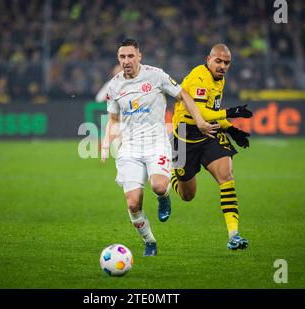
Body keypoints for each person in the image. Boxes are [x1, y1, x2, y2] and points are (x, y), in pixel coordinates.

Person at [101, 38, 219, 256]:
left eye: (130, 56)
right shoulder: (114, 85)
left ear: (139, 56)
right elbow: (114, 119)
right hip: (130, 148)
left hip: (156, 143)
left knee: (158, 186)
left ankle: (164, 198)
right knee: (133, 203)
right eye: (122, 57)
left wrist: (200, 121)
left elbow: (183, 94)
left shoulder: (156, 75)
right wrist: (107, 142)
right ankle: (150, 242)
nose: (126, 61)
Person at [170, 43, 253, 250]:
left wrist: (231, 129)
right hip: (184, 136)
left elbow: (211, 113)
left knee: (226, 176)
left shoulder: (220, 80)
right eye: (218, 61)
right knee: (187, 195)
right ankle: (171, 174)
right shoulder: (200, 76)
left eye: (227, 63)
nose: (223, 66)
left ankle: (233, 235)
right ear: (208, 59)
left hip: (208, 135)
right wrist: (232, 112)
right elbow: (201, 114)